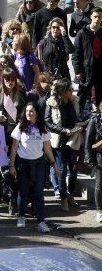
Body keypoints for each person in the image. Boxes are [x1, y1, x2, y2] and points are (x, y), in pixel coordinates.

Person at [9, 103, 60, 233]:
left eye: (31, 111)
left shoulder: (43, 128)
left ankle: (41, 221)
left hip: (38, 163)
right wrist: (12, 165)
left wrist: (54, 164)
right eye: (27, 111)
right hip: (23, 163)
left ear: (37, 113)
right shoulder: (20, 127)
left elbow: (47, 148)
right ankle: (21, 216)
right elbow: (14, 147)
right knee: (23, 191)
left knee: (39, 193)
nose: (28, 114)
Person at [45, 78, 83, 211]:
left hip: (73, 138)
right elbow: (48, 122)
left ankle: (71, 194)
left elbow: (79, 116)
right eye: (69, 90)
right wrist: (62, 131)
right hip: (59, 140)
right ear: (62, 91)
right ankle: (63, 198)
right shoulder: (51, 103)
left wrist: (80, 125)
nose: (72, 91)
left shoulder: (74, 101)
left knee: (73, 169)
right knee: (62, 170)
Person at [85, 103, 102, 223]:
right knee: (100, 185)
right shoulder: (95, 121)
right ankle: (99, 210)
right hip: (100, 157)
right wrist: (89, 158)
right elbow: (88, 141)